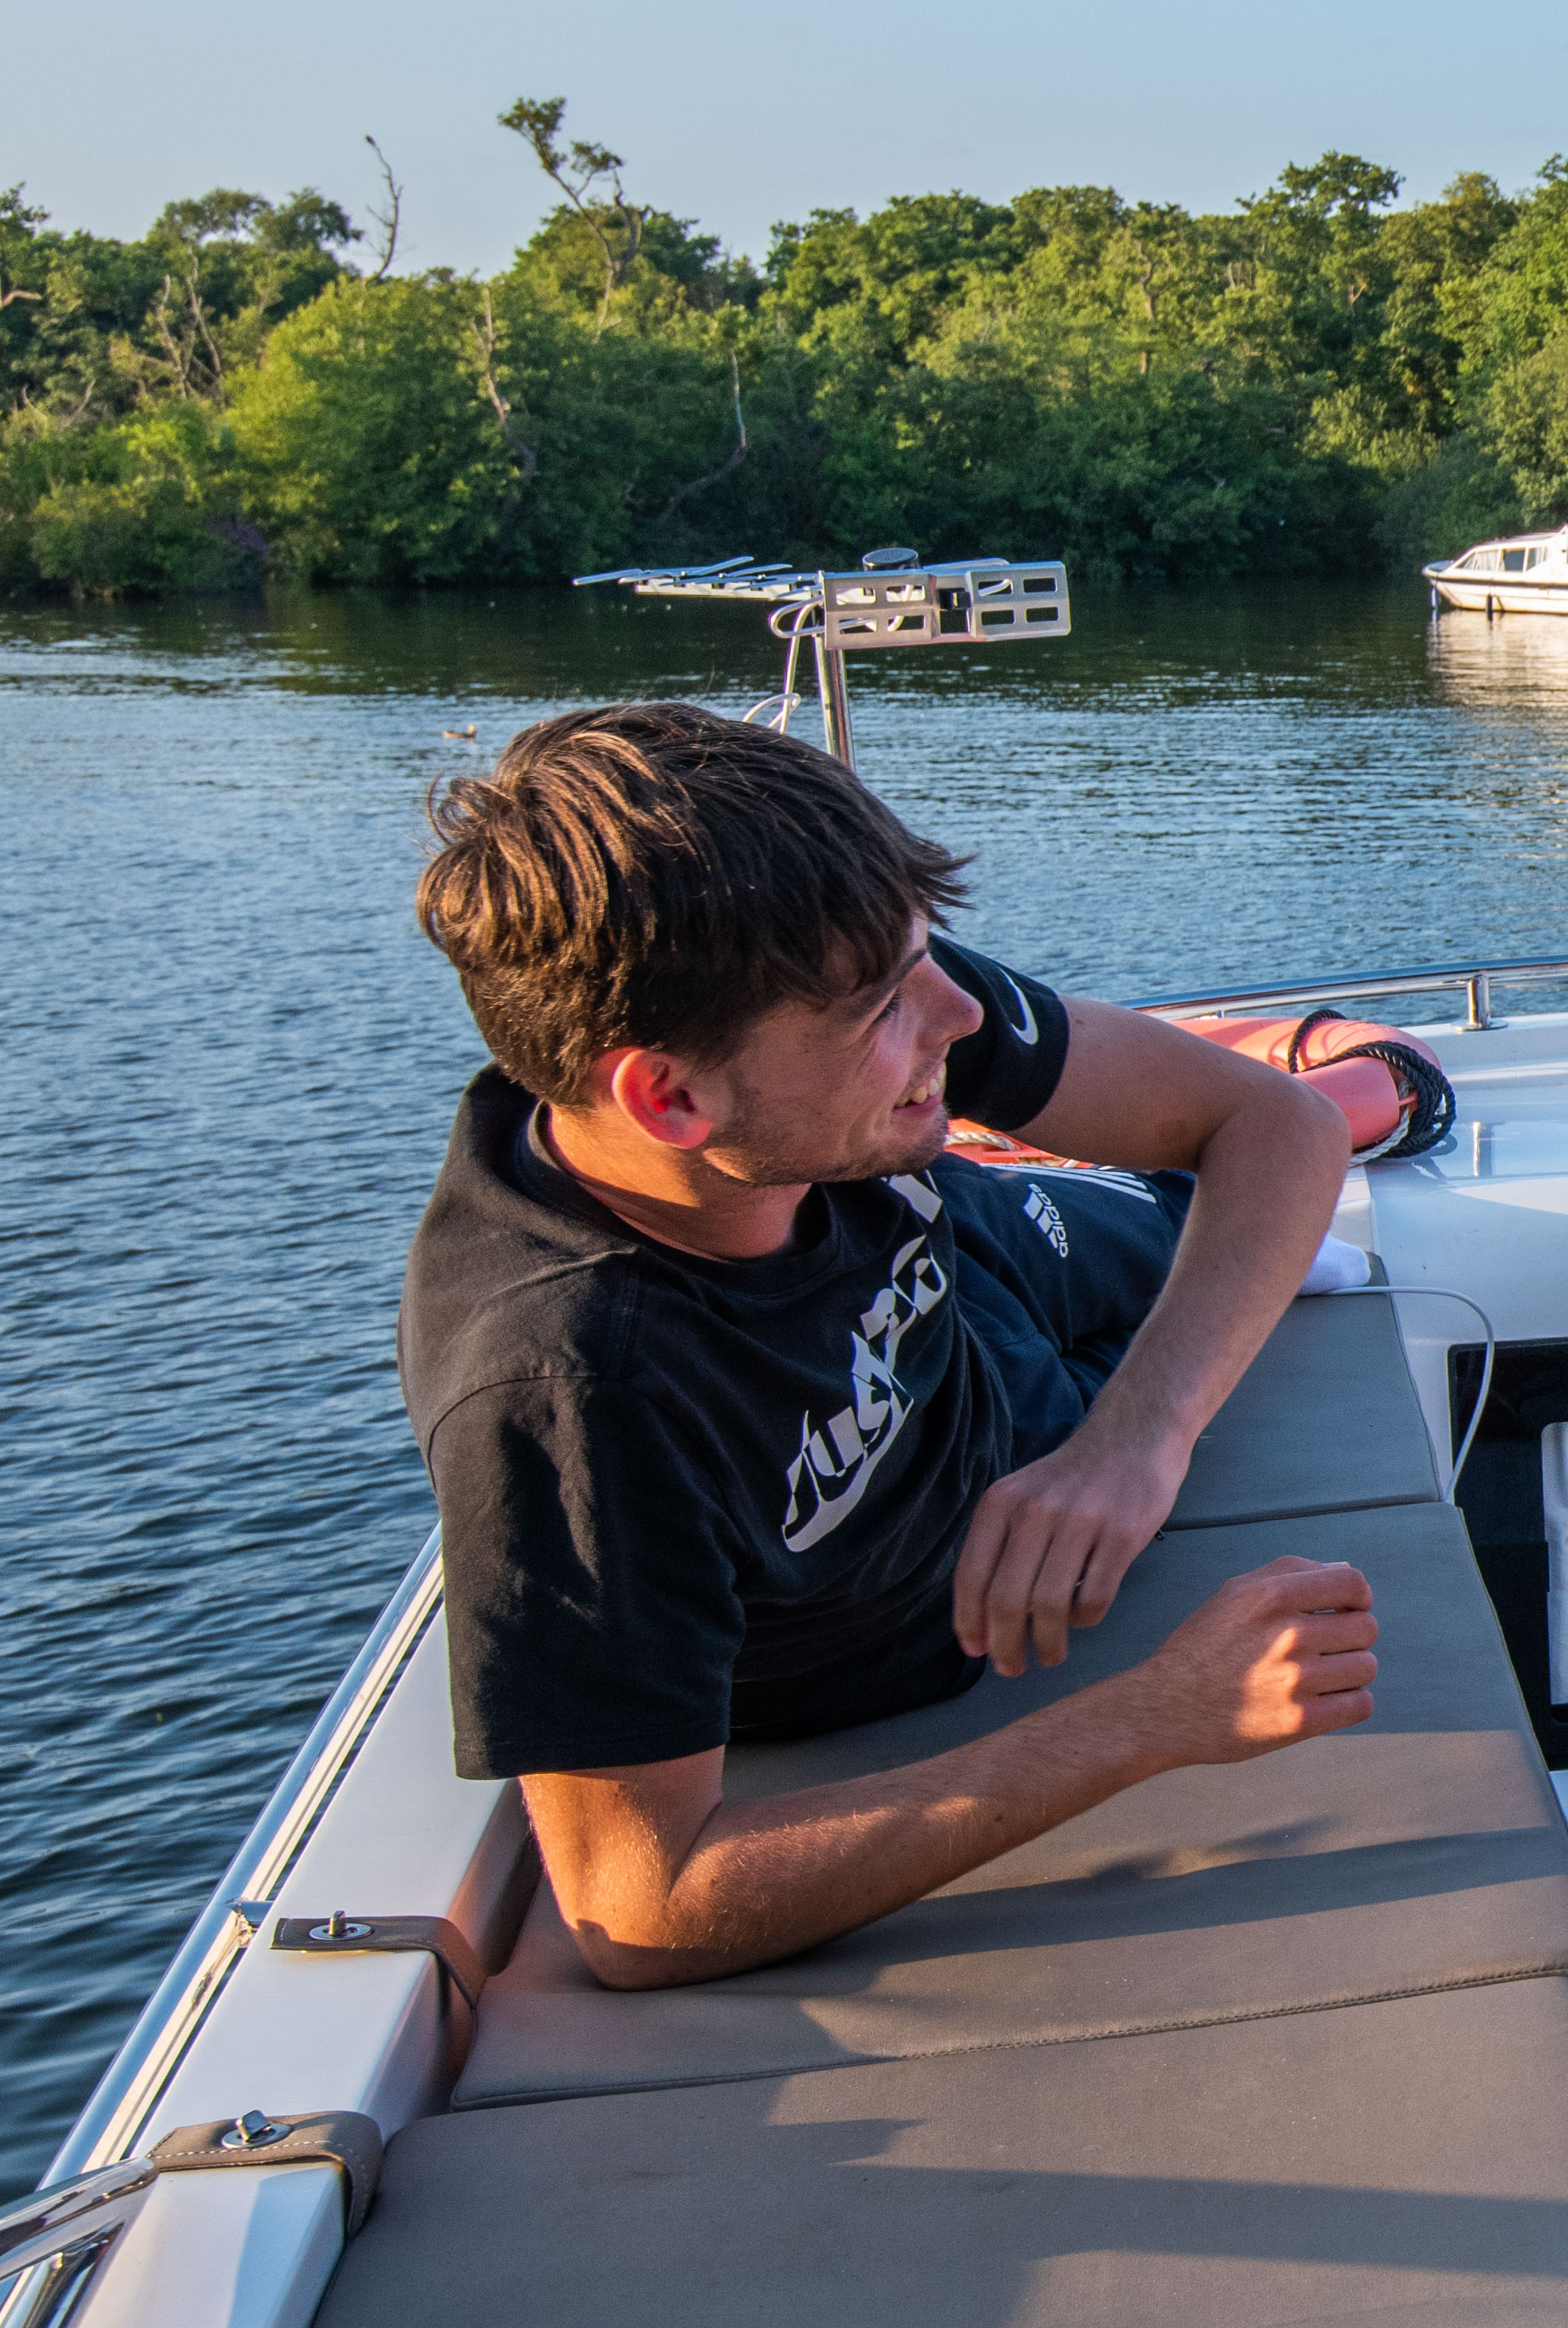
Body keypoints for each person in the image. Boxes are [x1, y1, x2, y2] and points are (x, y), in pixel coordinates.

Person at [399, 702, 1383, 1989]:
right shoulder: (578, 1388)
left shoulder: (868, 995)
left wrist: (1135, 1444)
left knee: (1250, 1199)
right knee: (1249, 1237)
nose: (955, 1017)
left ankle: (1363, 1111)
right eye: (883, 1009)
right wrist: (1151, 1717)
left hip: (979, 1267)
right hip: (956, 1474)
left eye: (930, 961)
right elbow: (640, 1908)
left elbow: (1278, 1126)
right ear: (670, 1096)